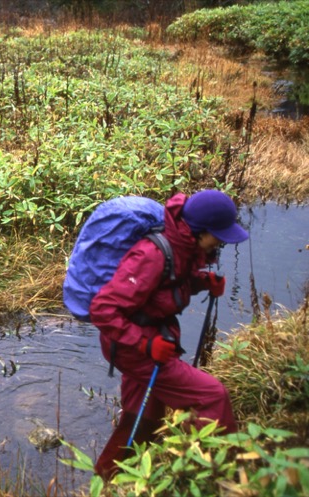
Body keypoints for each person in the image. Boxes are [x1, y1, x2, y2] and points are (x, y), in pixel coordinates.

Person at [89, 189, 249, 480]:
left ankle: (106, 479)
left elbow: (168, 284)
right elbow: (103, 310)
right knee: (212, 396)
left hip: (148, 340)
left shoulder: (184, 246)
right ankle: (223, 478)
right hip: (133, 347)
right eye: (219, 234)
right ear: (199, 231)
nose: (223, 241)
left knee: (144, 416)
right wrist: (145, 343)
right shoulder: (151, 255)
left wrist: (203, 281)